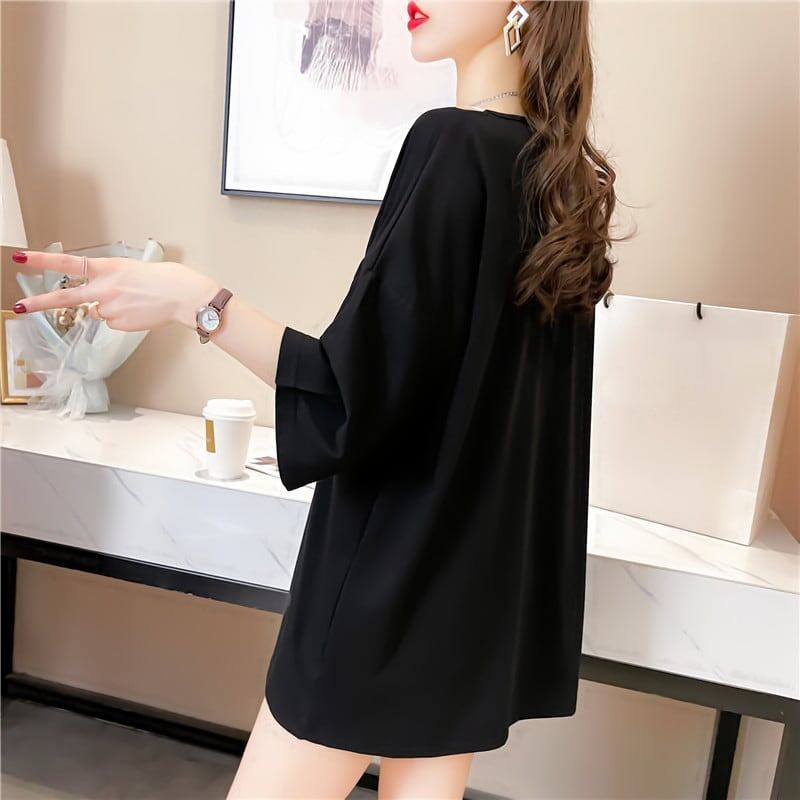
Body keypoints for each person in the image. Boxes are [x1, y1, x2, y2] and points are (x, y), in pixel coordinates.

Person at [10, 1, 620, 797]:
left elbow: (348, 396)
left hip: (385, 591)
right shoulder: (560, 177)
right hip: (475, 604)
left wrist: (196, 300)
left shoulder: (451, 144)